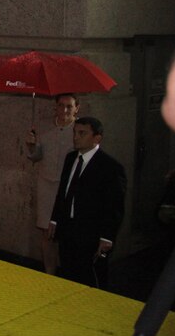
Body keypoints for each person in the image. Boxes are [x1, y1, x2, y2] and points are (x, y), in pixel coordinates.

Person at [47, 116, 127, 289]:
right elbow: (63, 192)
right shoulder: (70, 159)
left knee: (90, 274)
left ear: (97, 138)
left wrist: (107, 236)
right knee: (68, 270)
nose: (76, 137)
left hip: (91, 229)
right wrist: (55, 218)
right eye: (75, 132)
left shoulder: (110, 167)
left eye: (82, 133)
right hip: (68, 225)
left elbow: (114, 206)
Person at [25, 94, 79, 274]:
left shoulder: (80, 131)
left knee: (68, 232)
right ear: (55, 107)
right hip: (47, 184)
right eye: (61, 106)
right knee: (47, 232)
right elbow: (36, 156)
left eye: (69, 107)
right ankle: (50, 272)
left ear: (76, 108)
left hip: (71, 186)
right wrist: (32, 146)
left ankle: (69, 272)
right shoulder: (45, 128)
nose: (64, 110)